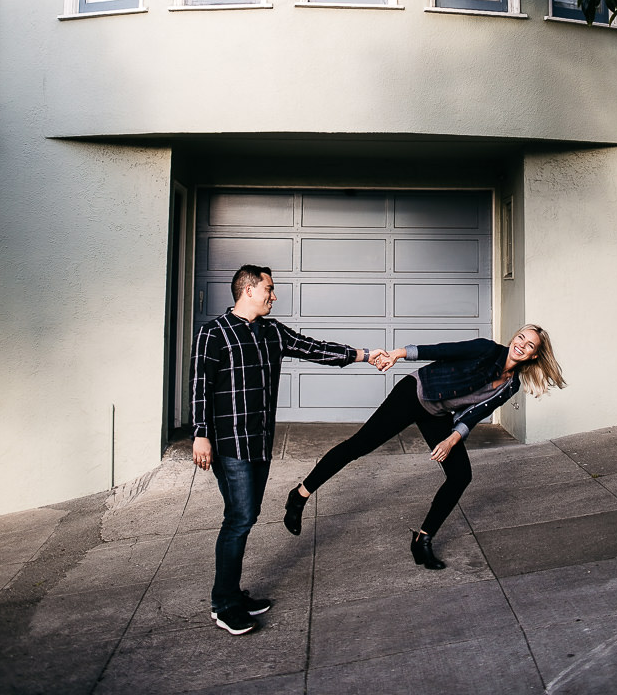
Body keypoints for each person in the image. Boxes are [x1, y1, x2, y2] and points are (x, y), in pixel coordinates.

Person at [191, 264, 388, 636]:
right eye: (269, 288)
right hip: (229, 442)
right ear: (248, 290)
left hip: (260, 440)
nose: (274, 295)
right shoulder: (213, 332)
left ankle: (233, 592)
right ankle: (223, 604)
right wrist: (200, 434)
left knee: (245, 516)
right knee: (240, 518)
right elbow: (200, 384)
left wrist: (363, 354)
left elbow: (314, 348)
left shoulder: (271, 331)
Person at [283, 325, 565, 568]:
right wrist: (397, 353)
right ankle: (300, 495)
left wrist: (452, 438)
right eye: (520, 338)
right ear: (514, 338)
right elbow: (441, 350)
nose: (521, 345)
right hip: (415, 393)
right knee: (358, 446)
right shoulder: (486, 349)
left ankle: (423, 539)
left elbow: (475, 414)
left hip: (437, 414)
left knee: (460, 475)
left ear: (534, 355)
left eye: (529, 345)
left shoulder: (510, 385)